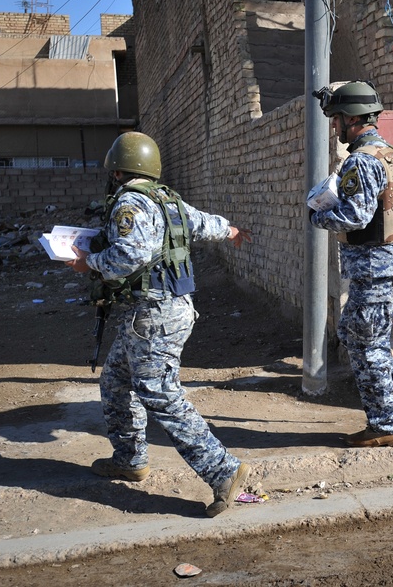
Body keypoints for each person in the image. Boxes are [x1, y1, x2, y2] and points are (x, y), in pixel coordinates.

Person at [67, 131, 253, 517]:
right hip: (162, 312)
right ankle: (130, 459)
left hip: (153, 316)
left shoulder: (130, 203)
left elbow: (128, 257)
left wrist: (89, 263)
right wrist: (231, 230)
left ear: (118, 171)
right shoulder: (168, 200)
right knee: (116, 380)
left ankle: (224, 471)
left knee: (160, 394)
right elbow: (205, 224)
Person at [309, 80, 393, 448]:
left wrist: (317, 215)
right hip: (392, 264)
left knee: (367, 345)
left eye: (336, 120)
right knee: (352, 333)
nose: (334, 127)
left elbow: (356, 216)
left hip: (375, 268)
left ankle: (385, 425)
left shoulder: (361, 162)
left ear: (351, 119)